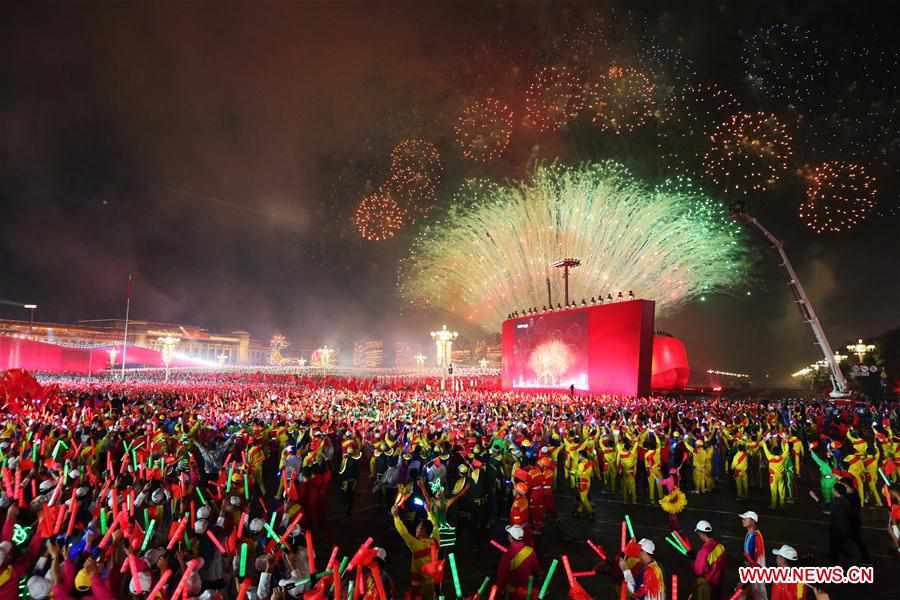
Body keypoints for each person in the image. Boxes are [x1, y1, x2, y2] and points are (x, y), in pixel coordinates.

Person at [391, 503, 439, 600]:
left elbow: (404, 533)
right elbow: (435, 526)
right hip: (432, 583)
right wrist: (429, 512)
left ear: (423, 531)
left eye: (419, 527)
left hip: (418, 585)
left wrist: (396, 517)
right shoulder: (435, 542)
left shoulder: (416, 545)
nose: (416, 529)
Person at [495, 525, 541, 600]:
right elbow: (537, 570)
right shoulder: (530, 551)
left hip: (513, 594)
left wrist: (497, 594)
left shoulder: (507, 555)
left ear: (510, 537)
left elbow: (501, 577)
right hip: (527, 592)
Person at [692, 520, 726, 600]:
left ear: (701, 533)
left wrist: (694, 559)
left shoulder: (703, 551)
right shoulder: (720, 546)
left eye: (698, 534)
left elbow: (698, 571)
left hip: (706, 586)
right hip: (718, 586)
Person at [740, 511, 767, 600]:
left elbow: (757, 560)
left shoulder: (755, 536)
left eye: (745, 518)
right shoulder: (749, 534)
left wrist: (748, 560)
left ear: (752, 521)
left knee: (758, 594)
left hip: (755, 571)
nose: (742, 520)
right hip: (750, 570)